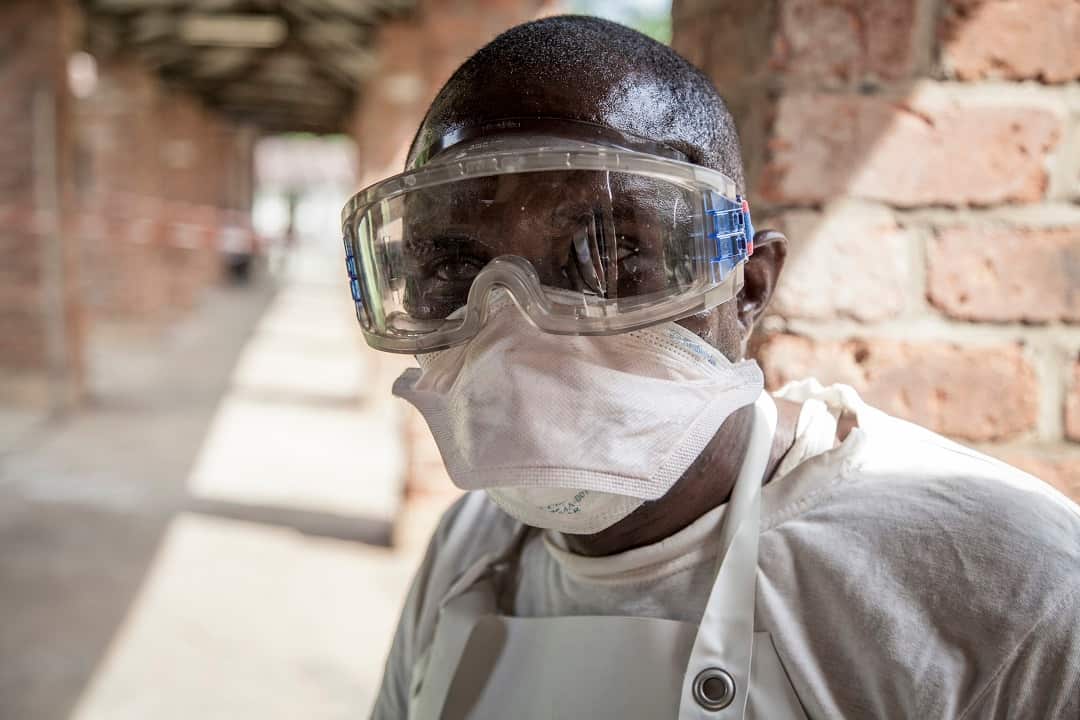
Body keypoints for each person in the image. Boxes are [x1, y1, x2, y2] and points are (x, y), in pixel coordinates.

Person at [341, 16, 1080, 719]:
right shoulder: (469, 547)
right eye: (455, 264)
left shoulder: (1008, 587)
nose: (518, 325)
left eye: (611, 253)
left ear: (749, 288)